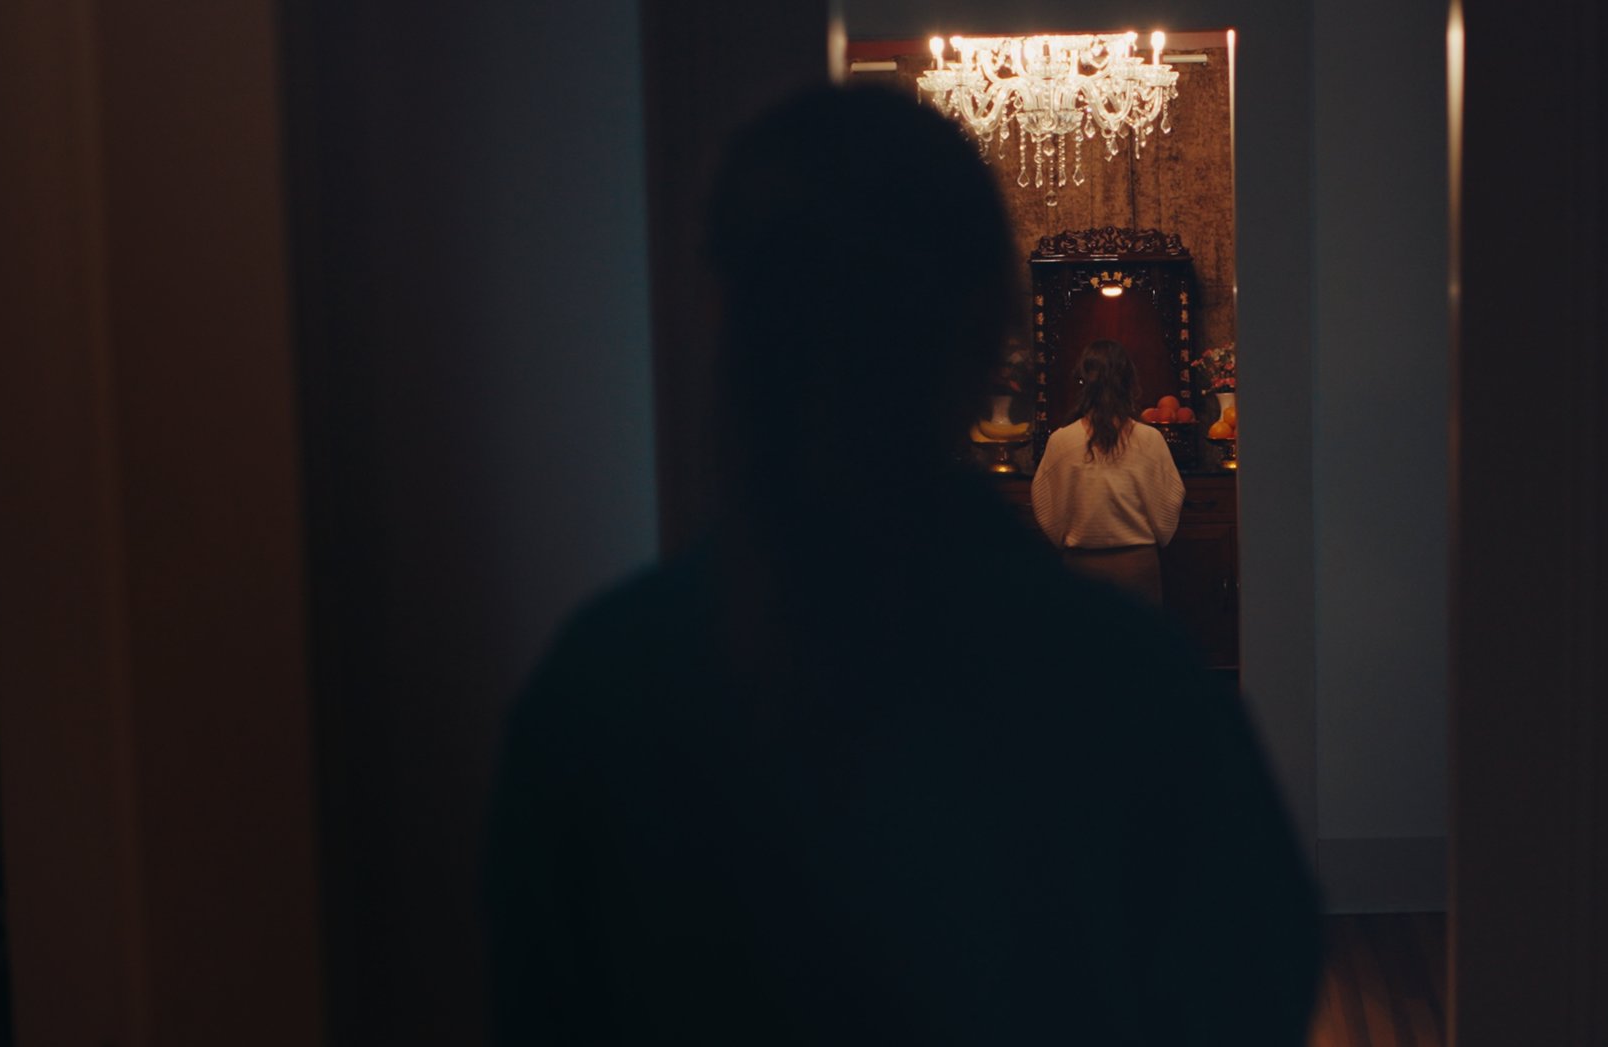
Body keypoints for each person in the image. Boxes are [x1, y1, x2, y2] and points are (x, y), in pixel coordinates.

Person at [482, 84, 1321, 1045]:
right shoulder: (1143, 696)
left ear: (719, 323)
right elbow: (1251, 992)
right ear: (993, 328)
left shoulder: (598, 693)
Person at [1030, 340, 1187, 604]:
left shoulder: (1061, 441)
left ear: (1083, 383)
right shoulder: (1149, 439)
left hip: (1079, 570)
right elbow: (1167, 512)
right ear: (1129, 383)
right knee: (1137, 644)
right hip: (1137, 568)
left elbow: (1048, 510)